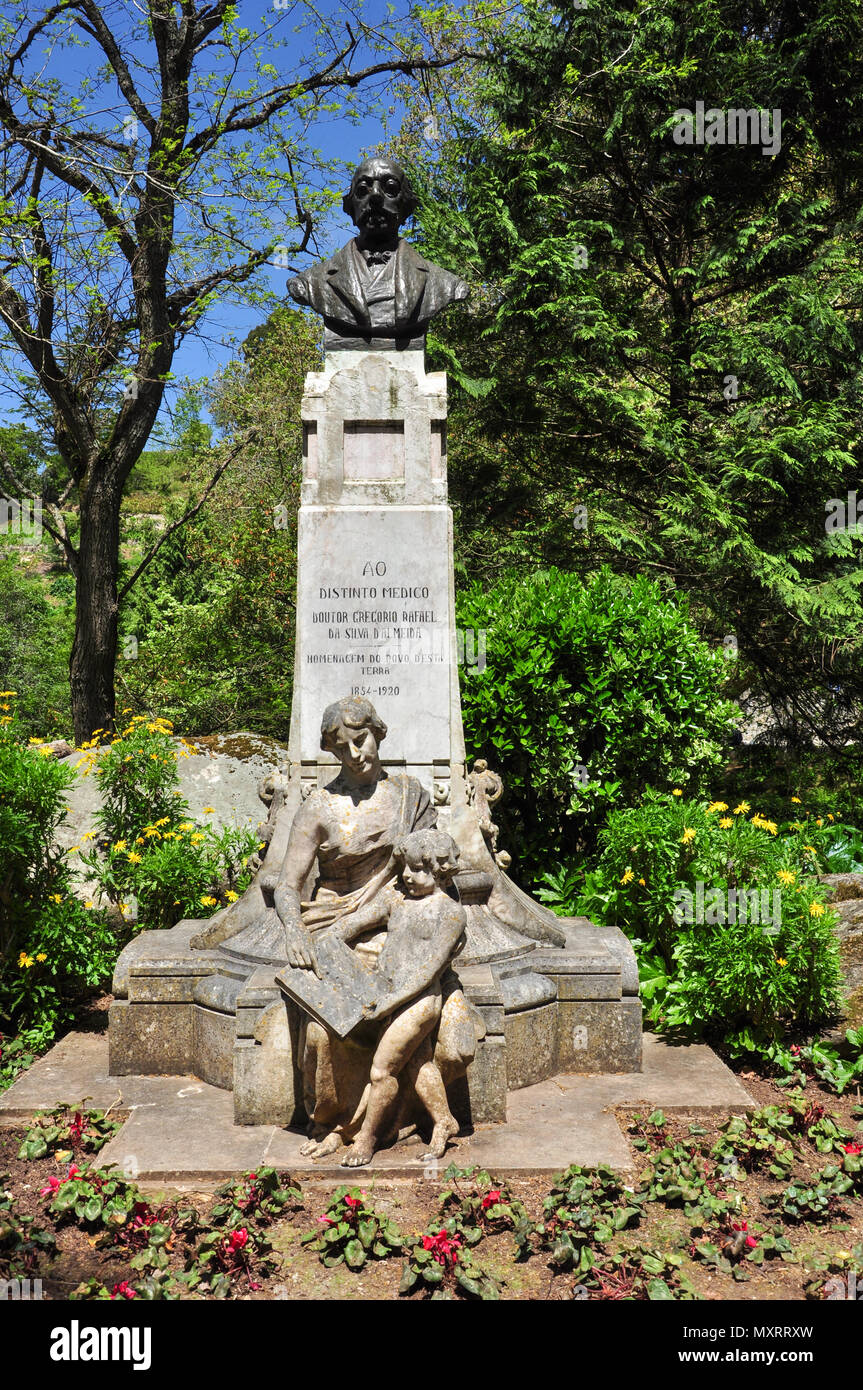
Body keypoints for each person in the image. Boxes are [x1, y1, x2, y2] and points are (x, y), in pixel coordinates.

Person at [326, 828, 466, 1167]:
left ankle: (368, 1139)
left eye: (418, 869)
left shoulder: (449, 913)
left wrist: (387, 1004)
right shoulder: (396, 900)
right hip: (389, 996)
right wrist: (328, 941)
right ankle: (444, 1120)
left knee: (381, 1071)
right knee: (420, 1063)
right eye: (405, 867)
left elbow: (427, 971)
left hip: (418, 1003)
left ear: (441, 870)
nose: (407, 875)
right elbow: (354, 923)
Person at [287, 156, 468, 350]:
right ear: (350, 206)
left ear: (405, 204)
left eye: (390, 188)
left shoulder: (444, 283)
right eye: (363, 190)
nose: (375, 196)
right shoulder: (312, 282)